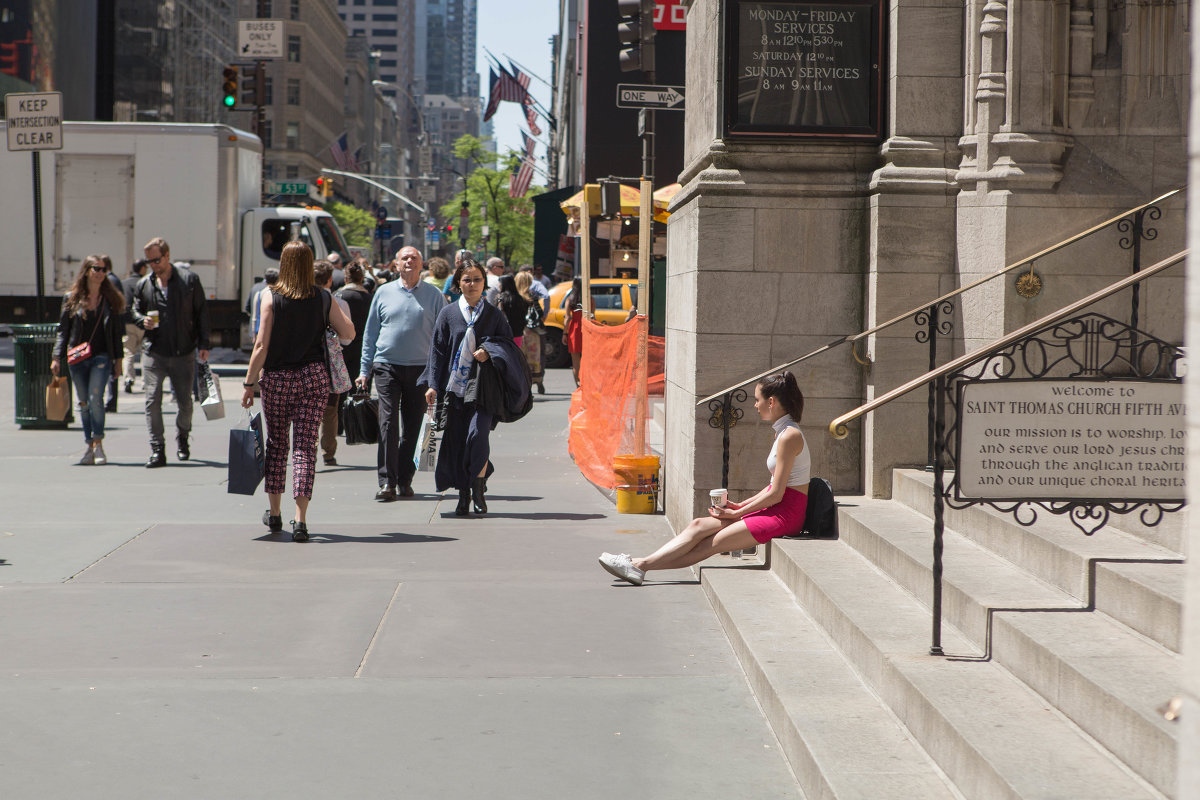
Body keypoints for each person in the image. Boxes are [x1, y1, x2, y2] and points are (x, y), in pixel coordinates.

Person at [599, 372, 810, 585]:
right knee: (699, 524)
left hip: (786, 515)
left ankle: (638, 566)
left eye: (757, 400)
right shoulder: (782, 432)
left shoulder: (789, 435)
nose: (755, 405)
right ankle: (637, 564)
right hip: (776, 507)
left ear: (771, 402)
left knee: (713, 542)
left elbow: (777, 493)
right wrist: (739, 507)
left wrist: (737, 514)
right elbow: (773, 486)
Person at [241, 242, 354, 542]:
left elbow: (261, 345)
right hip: (313, 378)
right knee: (306, 447)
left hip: (277, 378)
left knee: (278, 445)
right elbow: (349, 334)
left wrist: (249, 383)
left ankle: (275, 513)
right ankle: (300, 520)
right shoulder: (323, 298)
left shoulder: (270, 297)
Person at [421, 257, 514, 516]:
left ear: (484, 283)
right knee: (458, 441)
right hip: (455, 390)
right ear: (457, 284)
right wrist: (432, 385)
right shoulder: (448, 314)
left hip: (484, 389)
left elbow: (508, 346)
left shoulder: (494, 315)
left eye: (477, 279)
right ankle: (463, 494)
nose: (472, 284)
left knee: (478, 436)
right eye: (466, 280)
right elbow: (437, 352)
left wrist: (489, 349)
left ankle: (478, 489)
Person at [358, 245, 446, 501]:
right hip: (387, 366)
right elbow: (370, 333)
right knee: (387, 423)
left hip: (421, 370)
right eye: (404, 258)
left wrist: (437, 374)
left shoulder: (434, 295)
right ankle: (387, 482)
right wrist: (365, 370)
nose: (409, 261)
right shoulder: (383, 293)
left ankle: (405, 480)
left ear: (422, 265)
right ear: (395, 264)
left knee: (414, 427)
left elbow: (441, 339)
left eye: (414, 258)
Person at [129, 237, 211, 468]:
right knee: (152, 400)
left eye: (156, 259)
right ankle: (157, 449)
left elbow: (202, 312)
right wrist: (140, 319)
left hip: (183, 352)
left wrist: (204, 344)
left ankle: (183, 436)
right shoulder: (145, 284)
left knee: (185, 403)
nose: (153, 264)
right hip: (154, 351)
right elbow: (134, 308)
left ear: (167, 256)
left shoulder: (189, 280)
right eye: (149, 261)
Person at [51, 255, 126, 465]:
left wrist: (118, 360)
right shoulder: (71, 298)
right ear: (87, 270)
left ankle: (99, 444)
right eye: (97, 268)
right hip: (77, 357)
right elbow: (63, 331)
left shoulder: (111, 298)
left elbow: (117, 333)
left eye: (104, 269)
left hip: (101, 356)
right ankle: (89, 446)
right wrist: (56, 356)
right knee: (83, 402)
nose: (101, 273)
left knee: (95, 398)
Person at [315, 260, 353, 467]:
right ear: (329, 279)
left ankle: (305, 449)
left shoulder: (294, 298)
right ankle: (328, 452)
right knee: (330, 411)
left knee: (306, 410)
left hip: (302, 364)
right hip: (329, 364)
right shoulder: (336, 301)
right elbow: (347, 338)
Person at [336, 261, 371, 385]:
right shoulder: (369, 298)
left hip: (342, 346)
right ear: (362, 279)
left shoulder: (338, 296)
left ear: (346, 279)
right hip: (363, 347)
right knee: (360, 388)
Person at [517, 267, 549, 394]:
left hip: (518, 332)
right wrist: (544, 315)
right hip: (532, 332)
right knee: (535, 358)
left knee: (520, 359)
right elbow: (542, 307)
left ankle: (522, 385)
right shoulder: (532, 298)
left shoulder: (514, 297)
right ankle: (537, 381)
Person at [120, 258, 148, 393]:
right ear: (142, 269)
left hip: (127, 322)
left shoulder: (123, 284)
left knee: (129, 353)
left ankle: (128, 379)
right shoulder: (146, 282)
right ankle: (145, 381)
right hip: (143, 322)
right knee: (145, 352)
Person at [495, 274, 529, 349]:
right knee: (515, 353)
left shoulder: (500, 298)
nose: (498, 285)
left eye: (499, 283)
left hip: (503, 333)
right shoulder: (520, 298)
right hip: (518, 332)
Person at [563, 278, 584, 387]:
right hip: (586, 329)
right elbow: (593, 315)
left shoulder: (570, 299)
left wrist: (564, 333)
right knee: (586, 360)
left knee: (575, 362)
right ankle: (586, 384)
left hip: (574, 331)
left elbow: (567, 318)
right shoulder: (589, 299)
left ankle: (578, 385)